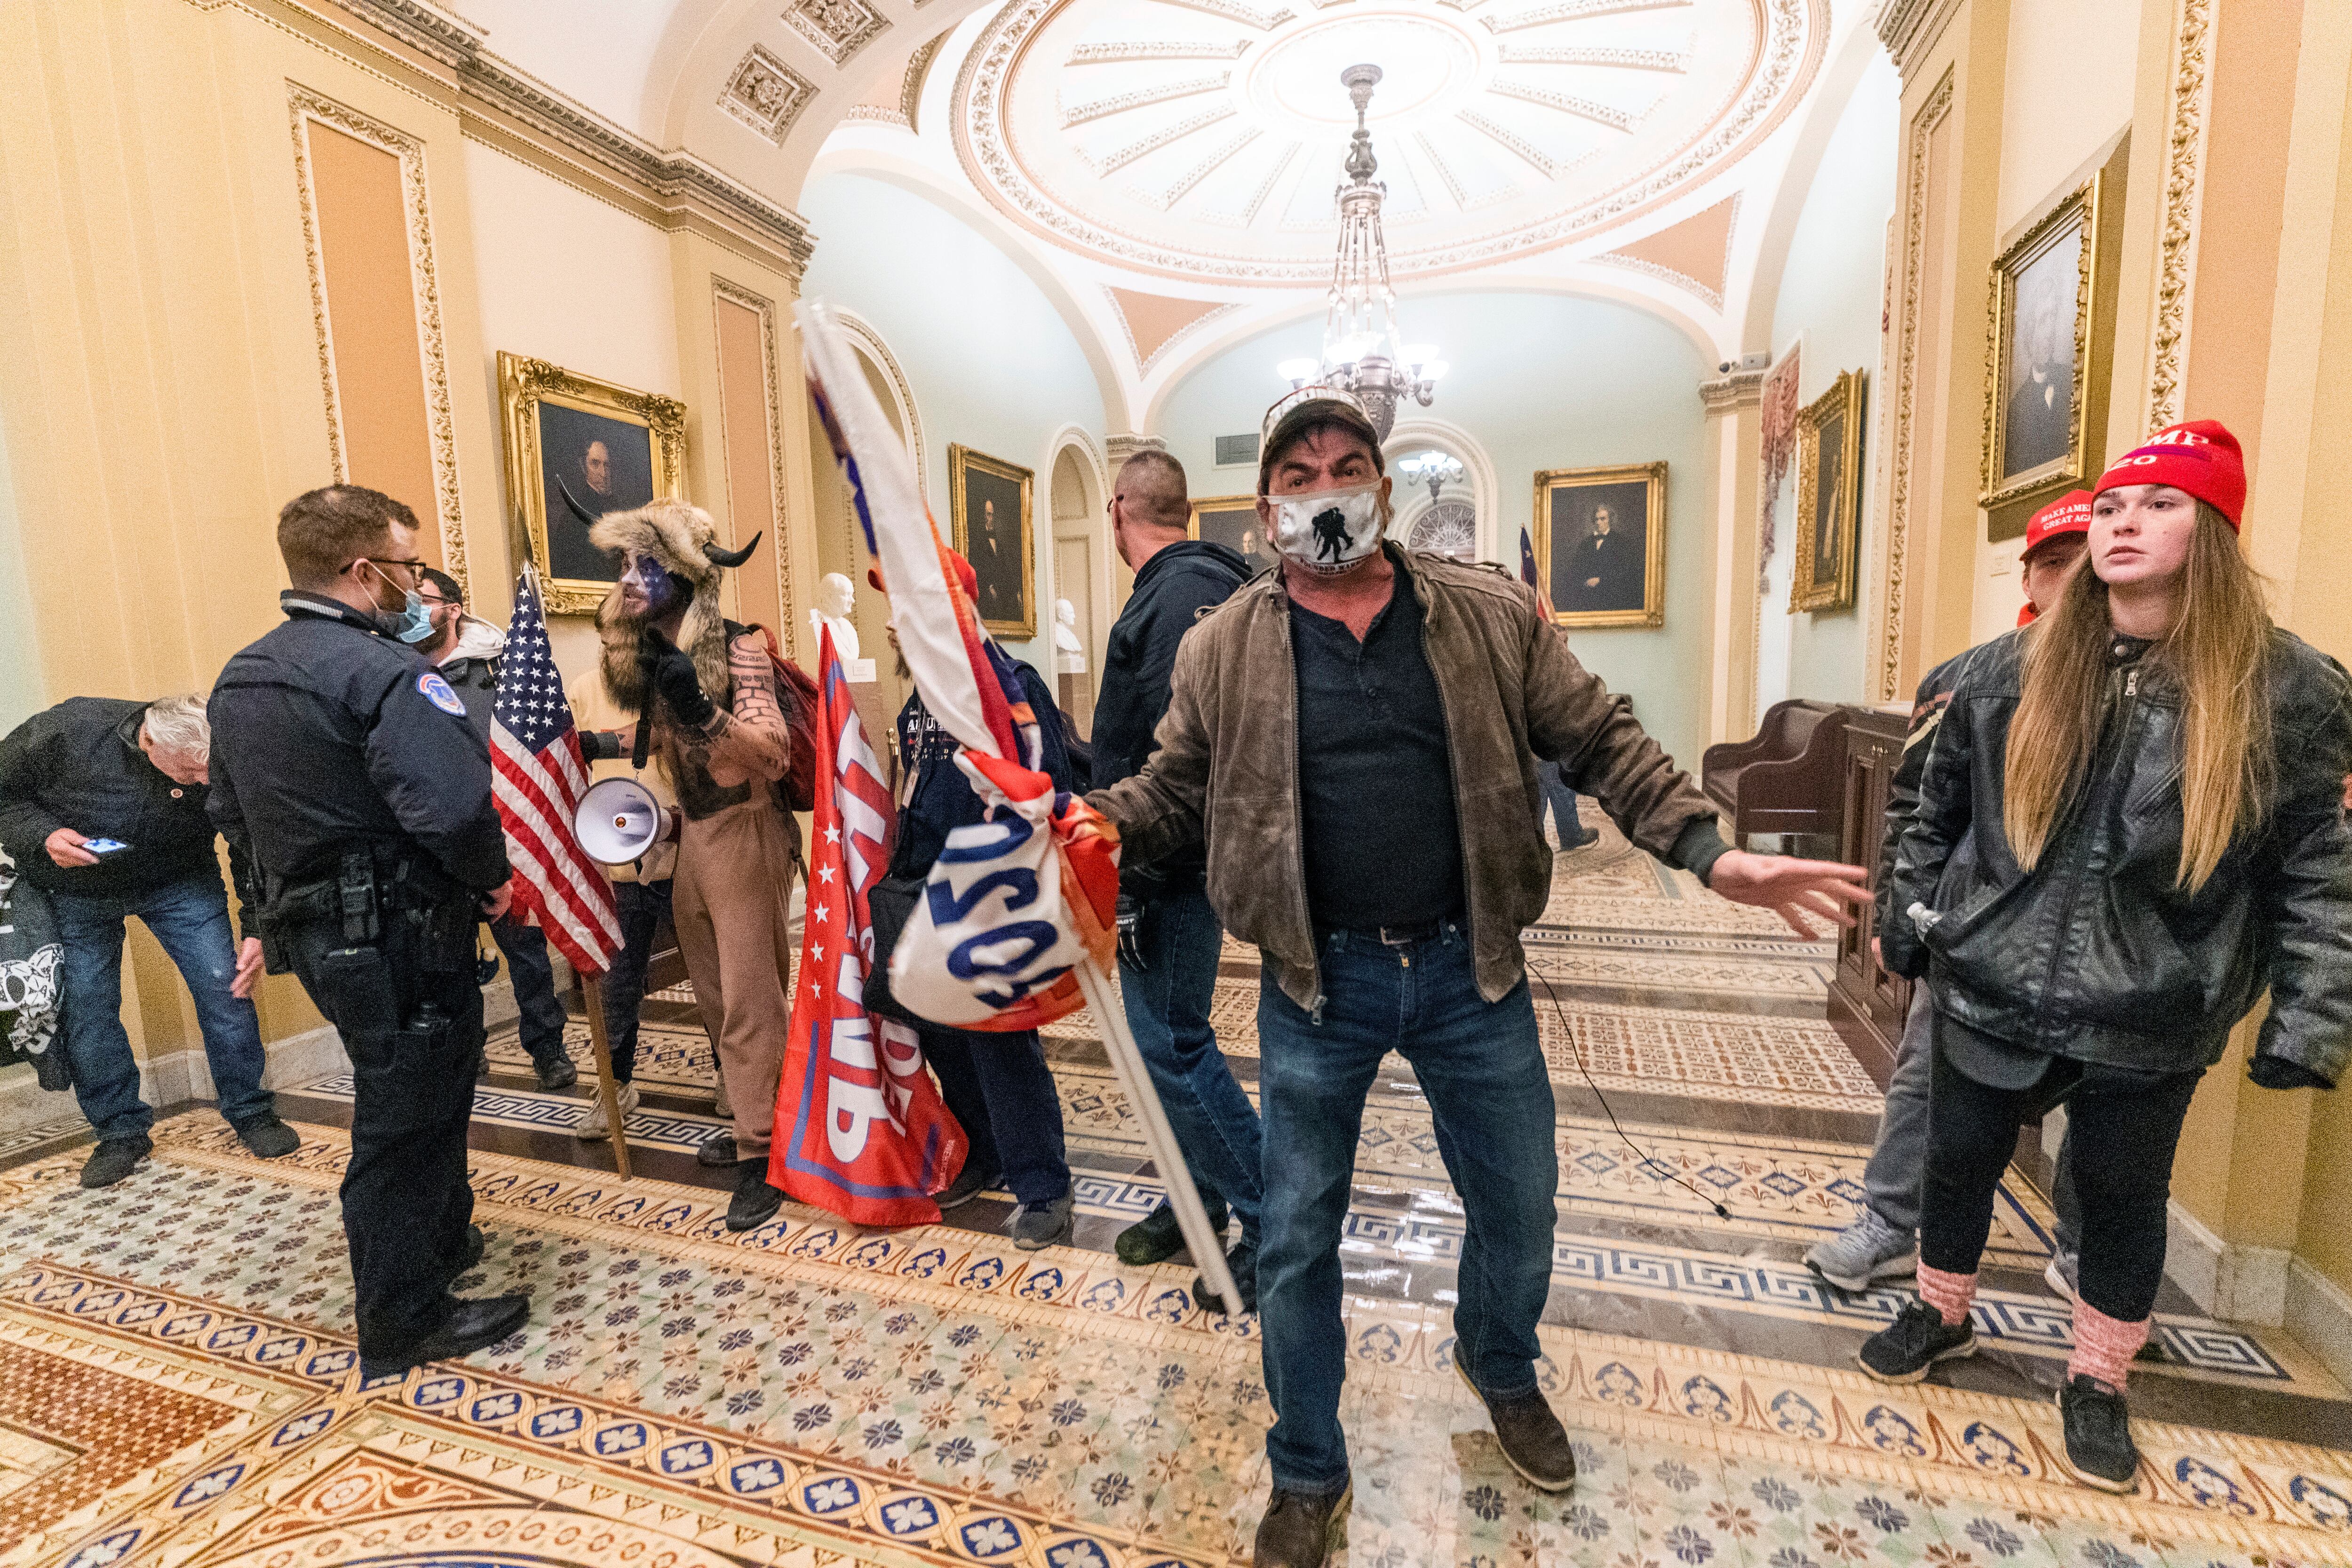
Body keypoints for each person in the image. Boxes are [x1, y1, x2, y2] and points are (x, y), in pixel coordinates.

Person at [1086, 385, 1875, 1566]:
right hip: (1316, 983)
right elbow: (1172, 789)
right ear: (1263, 509)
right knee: (1297, 1235)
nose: (1324, 490)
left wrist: (1710, 852)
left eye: (1345, 465)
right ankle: (1306, 1465)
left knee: (1519, 1204)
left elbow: (1600, 735)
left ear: (1384, 491)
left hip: (1472, 971)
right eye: (1297, 477)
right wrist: (1096, 824)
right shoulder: (1223, 643)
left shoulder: (1485, 616)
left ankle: (1498, 1362)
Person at [1863, 422, 2352, 1496]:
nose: (2124, 520)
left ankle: (2097, 1379)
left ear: (2214, 530)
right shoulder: (1991, 677)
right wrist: (1908, 921)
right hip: (1990, 980)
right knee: (1958, 1161)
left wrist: (2311, 1012)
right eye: (2114, 505)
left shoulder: (2292, 692)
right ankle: (1938, 1310)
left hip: (2154, 1003)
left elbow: (2319, 870)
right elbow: (1920, 813)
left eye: (2162, 503)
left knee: (2123, 1198)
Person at [208, 485, 524, 1377]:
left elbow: (233, 818)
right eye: (410, 566)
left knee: (417, 1091)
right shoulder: (384, 672)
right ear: (364, 571)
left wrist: (262, 923)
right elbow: (456, 805)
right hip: (400, 931)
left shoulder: (243, 674)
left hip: (321, 934)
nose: (418, 585)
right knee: (406, 1120)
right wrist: (492, 882)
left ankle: (439, 1244)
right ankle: (404, 1318)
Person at [1804, 491, 2091, 1293]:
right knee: (1925, 1076)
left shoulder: (2156, 679)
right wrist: (1899, 919)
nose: (2075, 578)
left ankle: (2084, 1251)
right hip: (1978, 926)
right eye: (2055, 564)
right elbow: (1916, 809)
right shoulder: (1969, 678)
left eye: (2087, 559)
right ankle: (1890, 1222)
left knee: (2105, 1105)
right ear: (2031, 580)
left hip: (2104, 940)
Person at [583, 500, 794, 1230]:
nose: (632, 579)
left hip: (745, 828)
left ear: (686, 575)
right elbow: (649, 745)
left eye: (649, 565)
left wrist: (699, 705)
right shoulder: (644, 653)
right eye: (624, 564)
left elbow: (773, 752)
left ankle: (762, 1153)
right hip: (692, 835)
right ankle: (748, 1114)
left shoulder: (740, 648)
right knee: (712, 993)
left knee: (748, 999)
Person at [0, 693, 300, 1186]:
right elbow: (5, 795)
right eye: (190, 773)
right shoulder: (70, 730)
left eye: (210, 773)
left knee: (227, 989)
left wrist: (256, 928)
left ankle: (251, 1113)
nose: (204, 783)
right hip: (77, 890)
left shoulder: (219, 757)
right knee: (90, 1010)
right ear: (152, 741)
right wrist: (46, 835)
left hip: (181, 884)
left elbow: (250, 846)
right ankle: (120, 1132)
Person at [1089, 449, 1260, 1306]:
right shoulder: (1216, 581)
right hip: (1183, 855)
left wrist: (1136, 872)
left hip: (1167, 864)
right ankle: (1196, 1199)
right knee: (1171, 1045)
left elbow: (1173, 759)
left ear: (1120, 505)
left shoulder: (1170, 600)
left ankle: (1270, 1212)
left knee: (1172, 1044)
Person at [887, 549, 1080, 1250]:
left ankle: (1043, 1186)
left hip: (990, 888)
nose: (897, 623)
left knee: (1002, 1041)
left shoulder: (1010, 685)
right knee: (939, 1027)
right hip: (929, 886)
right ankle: (986, 1149)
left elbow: (1047, 779)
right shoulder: (921, 697)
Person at [412, 568, 579, 1094]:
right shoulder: (395, 671)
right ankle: (469, 1052)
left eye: (424, 601)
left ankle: (548, 1049)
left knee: (525, 953)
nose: (414, 611)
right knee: (446, 958)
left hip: (501, 833)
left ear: (453, 609)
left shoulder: (501, 667)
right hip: (432, 838)